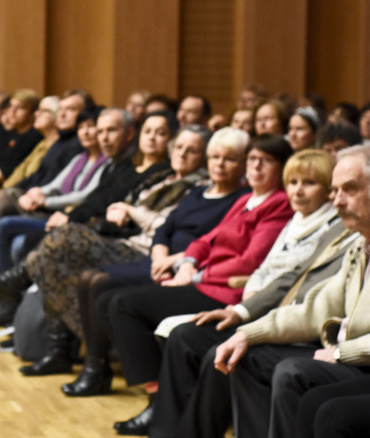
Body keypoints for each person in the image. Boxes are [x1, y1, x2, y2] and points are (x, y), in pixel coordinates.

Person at [148, 150, 356, 438]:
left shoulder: (341, 227)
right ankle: (164, 431)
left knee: (231, 357)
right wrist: (241, 312)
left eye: (309, 183)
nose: (338, 200)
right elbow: (278, 273)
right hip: (265, 309)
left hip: (302, 328)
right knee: (187, 334)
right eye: (292, 182)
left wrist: (246, 320)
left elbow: (312, 302)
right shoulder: (326, 229)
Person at [107, 135, 294, 435]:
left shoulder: (279, 203)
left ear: (281, 167)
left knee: (125, 304)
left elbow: (249, 261)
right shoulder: (246, 199)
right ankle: (156, 400)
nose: (256, 166)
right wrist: (188, 262)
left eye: (266, 161)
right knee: (119, 301)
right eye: (253, 159)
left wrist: (197, 276)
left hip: (225, 292)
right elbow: (207, 240)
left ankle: (157, 403)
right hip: (204, 280)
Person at [59, 127, 250, 398]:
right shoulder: (198, 192)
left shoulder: (241, 200)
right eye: (215, 157)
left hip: (187, 268)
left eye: (229, 158)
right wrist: (160, 255)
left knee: (102, 286)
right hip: (159, 260)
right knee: (88, 278)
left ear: (243, 162)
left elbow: (217, 245)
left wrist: (174, 260)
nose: (219, 164)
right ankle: (95, 367)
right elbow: (164, 228)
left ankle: (135, 382)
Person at [213, 145, 370, 438]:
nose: (337, 201)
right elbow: (315, 309)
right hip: (346, 354)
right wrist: (247, 333)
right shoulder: (360, 248)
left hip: (358, 358)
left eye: (349, 189)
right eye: (334, 191)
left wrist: (341, 353)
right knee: (246, 356)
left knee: (296, 377)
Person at [0, 112, 185, 329]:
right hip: (94, 226)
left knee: (44, 244)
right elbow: (94, 199)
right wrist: (67, 212)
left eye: (161, 133)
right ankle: (19, 310)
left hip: (121, 238)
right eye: (148, 131)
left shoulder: (162, 175)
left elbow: (131, 215)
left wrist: (69, 214)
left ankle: (16, 295)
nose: (151, 138)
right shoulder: (125, 165)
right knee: (27, 237)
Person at [0, 106, 109, 317]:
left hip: (58, 215)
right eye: (82, 128)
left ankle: (0, 294)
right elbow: (53, 183)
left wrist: (45, 200)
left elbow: (83, 196)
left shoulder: (104, 163)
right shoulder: (79, 158)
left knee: (1, 219)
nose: (87, 132)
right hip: (46, 206)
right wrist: (36, 193)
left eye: (92, 128)